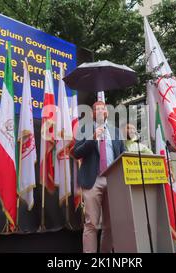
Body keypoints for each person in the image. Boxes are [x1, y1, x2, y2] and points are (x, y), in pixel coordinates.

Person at [73, 101, 125, 253]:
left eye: (104, 109)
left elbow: (123, 153)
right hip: (92, 180)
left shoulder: (116, 132)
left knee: (110, 224)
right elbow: (77, 153)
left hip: (113, 181)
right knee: (91, 224)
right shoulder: (85, 129)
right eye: (98, 109)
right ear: (93, 114)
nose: (101, 111)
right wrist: (93, 138)